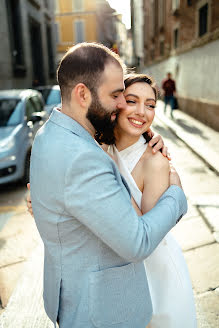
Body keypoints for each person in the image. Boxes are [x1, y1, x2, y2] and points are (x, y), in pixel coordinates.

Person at [29, 42, 187, 328]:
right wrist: (177, 195)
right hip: (100, 310)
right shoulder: (83, 157)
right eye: (117, 95)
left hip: (85, 293)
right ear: (82, 94)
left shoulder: (49, 135)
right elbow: (138, 242)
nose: (121, 104)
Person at [99, 73, 196, 328]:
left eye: (151, 105)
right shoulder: (99, 148)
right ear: (116, 103)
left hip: (154, 276)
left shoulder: (155, 161)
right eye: (132, 101)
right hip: (112, 275)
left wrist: (107, 175)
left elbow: (148, 237)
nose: (142, 111)